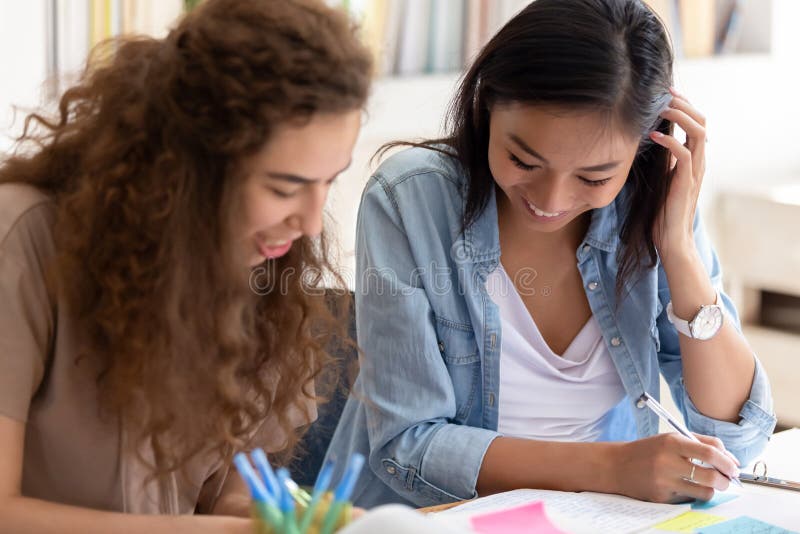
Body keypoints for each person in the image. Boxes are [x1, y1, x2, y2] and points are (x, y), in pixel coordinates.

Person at [325, 0, 776, 509]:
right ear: (486, 105)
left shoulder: (652, 203)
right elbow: (408, 448)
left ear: (643, 150)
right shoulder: (410, 199)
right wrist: (612, 468)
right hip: (435, 517)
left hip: (599, 517)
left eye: (594, 177)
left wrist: (679, 250)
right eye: (523, 159)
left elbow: (739, 437)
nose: (550, 200)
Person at [0, 0, 371, 532]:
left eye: (328, 180)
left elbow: (232, 502)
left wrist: (288, 522)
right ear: (187, 167)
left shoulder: (268, 282)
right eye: (283, 187)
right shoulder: (23, 239)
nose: (311, 224)